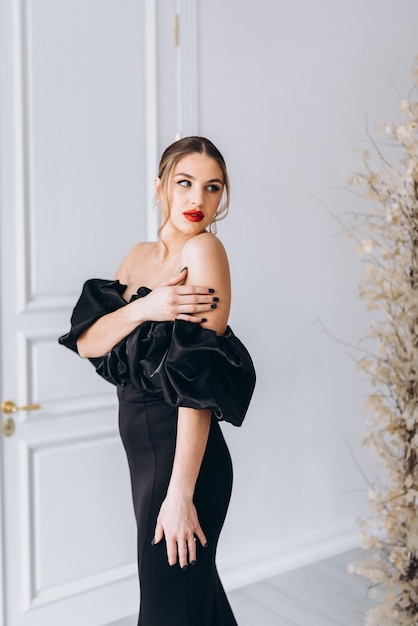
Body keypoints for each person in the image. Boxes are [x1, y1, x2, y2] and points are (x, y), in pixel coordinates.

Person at [59, 136, 256, 626]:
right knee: (194, 600)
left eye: (213, 188)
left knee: (170, 607)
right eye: (185, 183)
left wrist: (180, 493)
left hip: (184, 460)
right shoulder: (138, 257)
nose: (198, 200)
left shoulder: (206, 250)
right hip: (144, 456)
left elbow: (199, 383)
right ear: (160, 187)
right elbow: (88, 342)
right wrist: (148, 307)